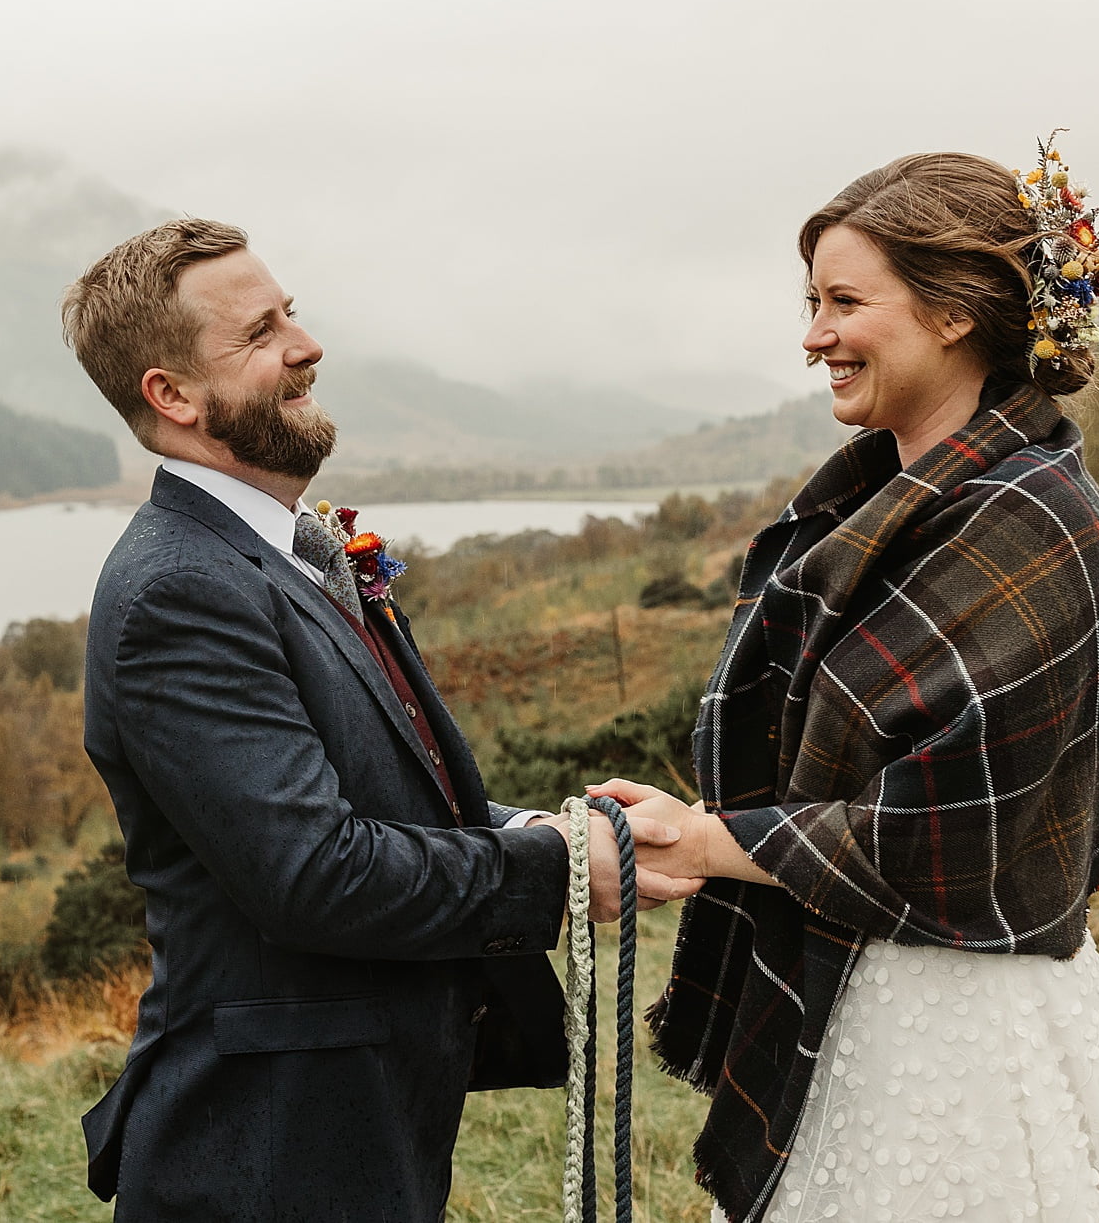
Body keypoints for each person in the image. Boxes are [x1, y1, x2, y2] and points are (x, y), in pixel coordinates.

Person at [592, 144, 1099, 1223]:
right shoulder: (886, 501)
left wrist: (705, 841)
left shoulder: (1027, 518)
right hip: (859, 990)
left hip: (960, 1020)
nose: (812, 333)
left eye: (842, 301)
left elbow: (943, 834)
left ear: (952, 314)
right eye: (810, 300)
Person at [61, 218, 697, 1221]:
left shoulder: (285, 553)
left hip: (360, 1118)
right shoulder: (176, 592)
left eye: (292, 314)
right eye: (259, 332)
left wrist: (532, 828)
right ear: (171, 394)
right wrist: (557, 871)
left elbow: (383, 791)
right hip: (267, 1148)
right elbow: (312, 873)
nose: (305, 345)